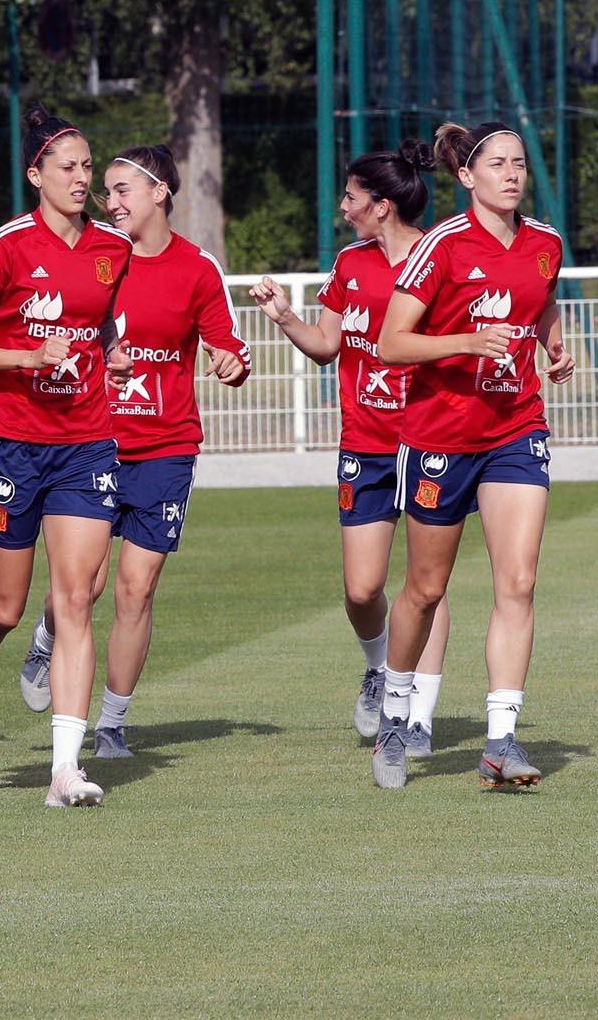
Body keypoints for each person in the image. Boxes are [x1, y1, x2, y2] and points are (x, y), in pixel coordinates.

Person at [13, 144, 247, 757]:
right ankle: (47, 636)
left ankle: (112, 722)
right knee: (82, 588)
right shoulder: (94, 259)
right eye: (104, 191)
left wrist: (231, 362)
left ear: (160, 192)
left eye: (120, 190)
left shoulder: (198, 267)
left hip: (166, 448)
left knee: (136, 589)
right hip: (93, 443)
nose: (108, 202)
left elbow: (231, 347)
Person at [0, 106, 133, 809]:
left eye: (86, 166)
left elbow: (97, 316)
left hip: (85, 440)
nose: (80, 178)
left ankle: (63, 771)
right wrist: (24, 356)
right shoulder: (9, 245)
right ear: (35, 175)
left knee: (76, 599)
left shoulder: (112, 247)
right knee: (6, 610)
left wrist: (111, 352)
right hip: (11, 441)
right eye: (67, 167)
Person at [369, 122, 571, 790]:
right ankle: (394, 717)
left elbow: (536, 304)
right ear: (466, 176)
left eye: (519, 163)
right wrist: (462, 342)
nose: (512, 174)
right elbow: (391, 343)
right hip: (440, 437)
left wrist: (552, 343)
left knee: (516, 583)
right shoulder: (442, 246)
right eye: (497, 164)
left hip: (516, 427)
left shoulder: (545, 243)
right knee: (424, 590)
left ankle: (500, 742)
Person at [250, 144, 454, 756]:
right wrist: (286, 317)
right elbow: (325, 346)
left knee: (427, 584)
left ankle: (418, 715)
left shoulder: (439, 260)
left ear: (382, 205)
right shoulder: (351, 264)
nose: (343, 208)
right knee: (363, 590)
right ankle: (377, 667)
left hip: (427, 441)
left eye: (351, 198)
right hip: (363, 444)